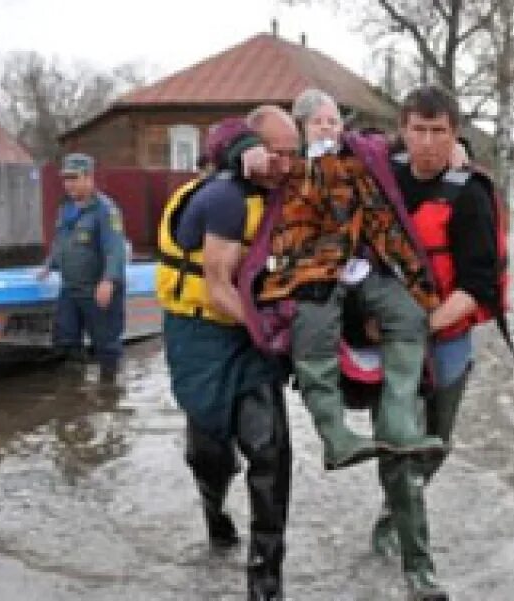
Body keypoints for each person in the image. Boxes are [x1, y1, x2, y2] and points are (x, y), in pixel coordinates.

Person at [248, 88, 445, 471]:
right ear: (301, 128)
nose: (327, 128)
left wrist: (460, 147)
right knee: (314, 317)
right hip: (309, 265)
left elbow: (408, 146)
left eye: (333, 120)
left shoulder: (363, 156)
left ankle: (399, 425)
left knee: (407, 309)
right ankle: (335, 435)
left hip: (367, 263)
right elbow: (227, 139)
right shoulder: (287, 167)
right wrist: (241, 148)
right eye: (318, 121)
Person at [156, 106, 298, 601]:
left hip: (250, 340)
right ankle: (215, 516)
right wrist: (274, 337)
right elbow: (218, 288)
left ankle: (265, 583)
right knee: (209, 453)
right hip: (204, 335)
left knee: (271, 451)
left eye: (292, 153)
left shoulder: (281, 196)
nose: (286, 163)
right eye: (277, 153)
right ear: (253, 150)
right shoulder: (225, 200)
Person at [369, 86, 501, 589]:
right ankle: (418, 571)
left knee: (436, 446)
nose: (427, 142)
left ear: (454, 134)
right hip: (391, 341)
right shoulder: (383, 181)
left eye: (439, 132)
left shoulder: (469, 196)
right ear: (403, 131)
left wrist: (424, 327)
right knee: (399, 445)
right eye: (418, 130)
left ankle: (391, 514)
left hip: (446, 334)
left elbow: (478, 286)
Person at [38, 152, 127, 381]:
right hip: (70, 289)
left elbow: (115, 249)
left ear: (89, 178)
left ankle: (109, 396)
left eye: (74, 178)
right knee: (65, 342)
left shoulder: (106, 210)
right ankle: (74, 400)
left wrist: (108, 281)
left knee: (106, 348)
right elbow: (61, 242)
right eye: (66, 179)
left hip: (96, 290)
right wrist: (49, 265)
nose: (68, 184)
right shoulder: (66, 208)